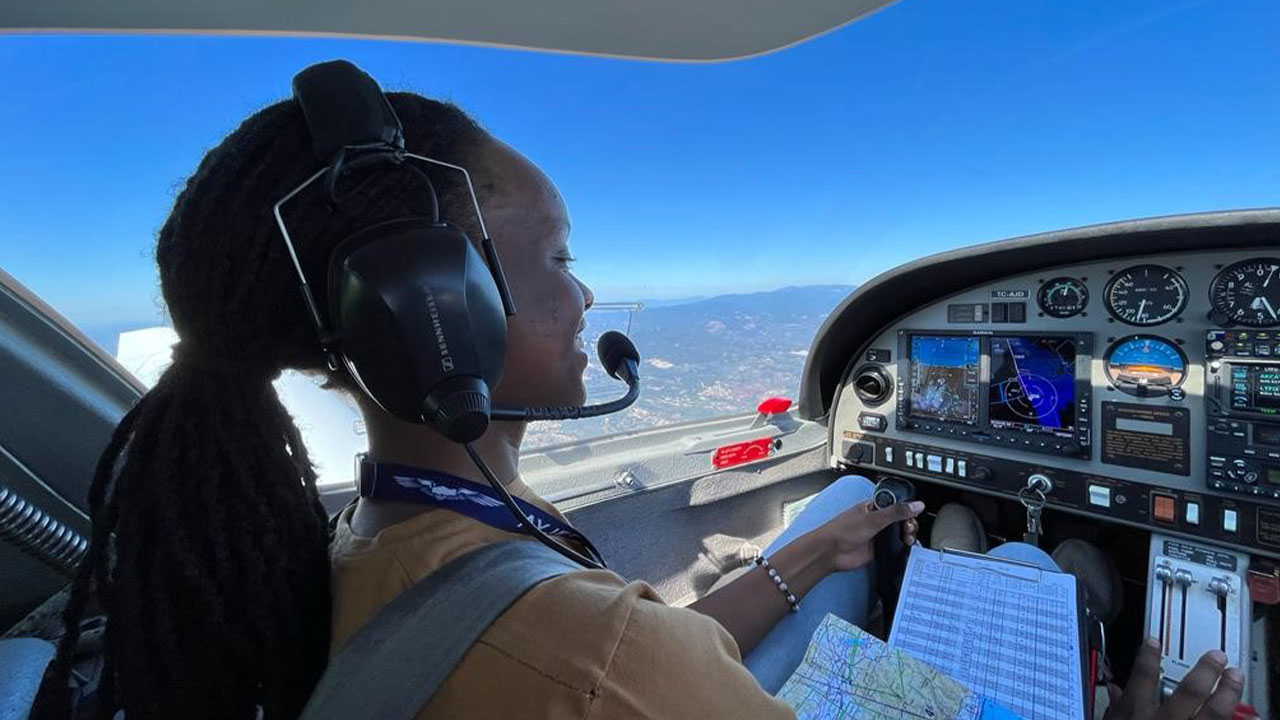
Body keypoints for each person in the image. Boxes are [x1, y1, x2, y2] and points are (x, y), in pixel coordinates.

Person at [31, 64, 1246, 720]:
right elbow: (614, 667)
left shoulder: (365, 544)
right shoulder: (576, 643)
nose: (582, 291)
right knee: (1035, 573)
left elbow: (626, 662)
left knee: (876, 546)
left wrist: (806, 561)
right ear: (433, 307)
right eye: (555, 257)